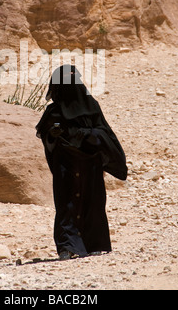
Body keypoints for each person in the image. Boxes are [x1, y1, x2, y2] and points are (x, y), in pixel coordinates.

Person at [36, 64, 127, 260]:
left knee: (93, 203)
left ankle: (95, 244)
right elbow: (46, 138)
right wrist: (53, 134)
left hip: (90, 164)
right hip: (65, 166)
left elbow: (104, 134)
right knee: (66, 204)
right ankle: (67, 247)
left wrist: (81, 135)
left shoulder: (91, 106)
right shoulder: (53, 111)